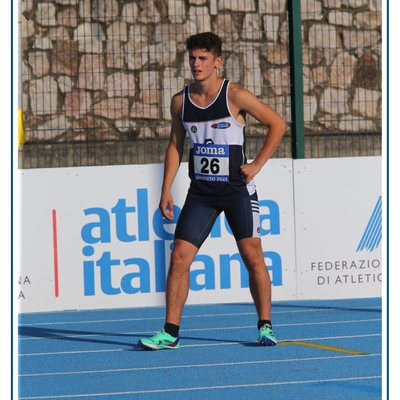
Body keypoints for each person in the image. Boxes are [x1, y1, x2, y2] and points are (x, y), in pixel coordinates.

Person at [138, 32, 287, 350]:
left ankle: (265, 326)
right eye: (192, 58)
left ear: (217, 62)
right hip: (201, 194)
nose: (196, 63)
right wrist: (166, 189)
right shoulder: (180, 101)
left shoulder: (235, 95)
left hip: (237, 190)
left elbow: (278, 124)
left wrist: (257, 164)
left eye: (203, 58)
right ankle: (170, 333)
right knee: (179, 257)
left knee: (253, 256)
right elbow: (176, 145)